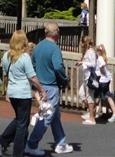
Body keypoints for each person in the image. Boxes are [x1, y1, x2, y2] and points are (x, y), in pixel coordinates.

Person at [0, 30, 45, 157]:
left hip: (12, 91)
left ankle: (2, 141)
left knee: (20, 119)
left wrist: (7, 91)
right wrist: (42, 89)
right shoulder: (24, 57)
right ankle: (17, 152)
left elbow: (6, 74)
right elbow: (32, 77)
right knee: (23, 124)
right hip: (23, 93)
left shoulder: (6, 56)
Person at [25, 22, 73, 155]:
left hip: (41, 85)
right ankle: (31, 144)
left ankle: (61, 142)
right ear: (56, 33)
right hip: (51, 86)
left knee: (55, 116)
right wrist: (64, 79)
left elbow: (32, 64)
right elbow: (58, 67)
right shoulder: (54, 49)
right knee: (46, 117)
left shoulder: (39, 46)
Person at [94, 43, 115, 122]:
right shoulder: (102, 58)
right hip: (106, 79)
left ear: (98, 52)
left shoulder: (99, 58)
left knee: (94, 95)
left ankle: (92, 112)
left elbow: (102, 65)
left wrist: (101, 72)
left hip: (102, 80)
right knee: (107, 95)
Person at [76, 36, 98, 124]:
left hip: (91, 78)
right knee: (81, 94)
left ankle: (92, 118)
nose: (80, 44)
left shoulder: (91, 52)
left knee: (89, 97)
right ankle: (92, 111)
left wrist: (83, 62)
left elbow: (93, 64)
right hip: (86, 78)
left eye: (81, 42)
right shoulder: (86, 52)